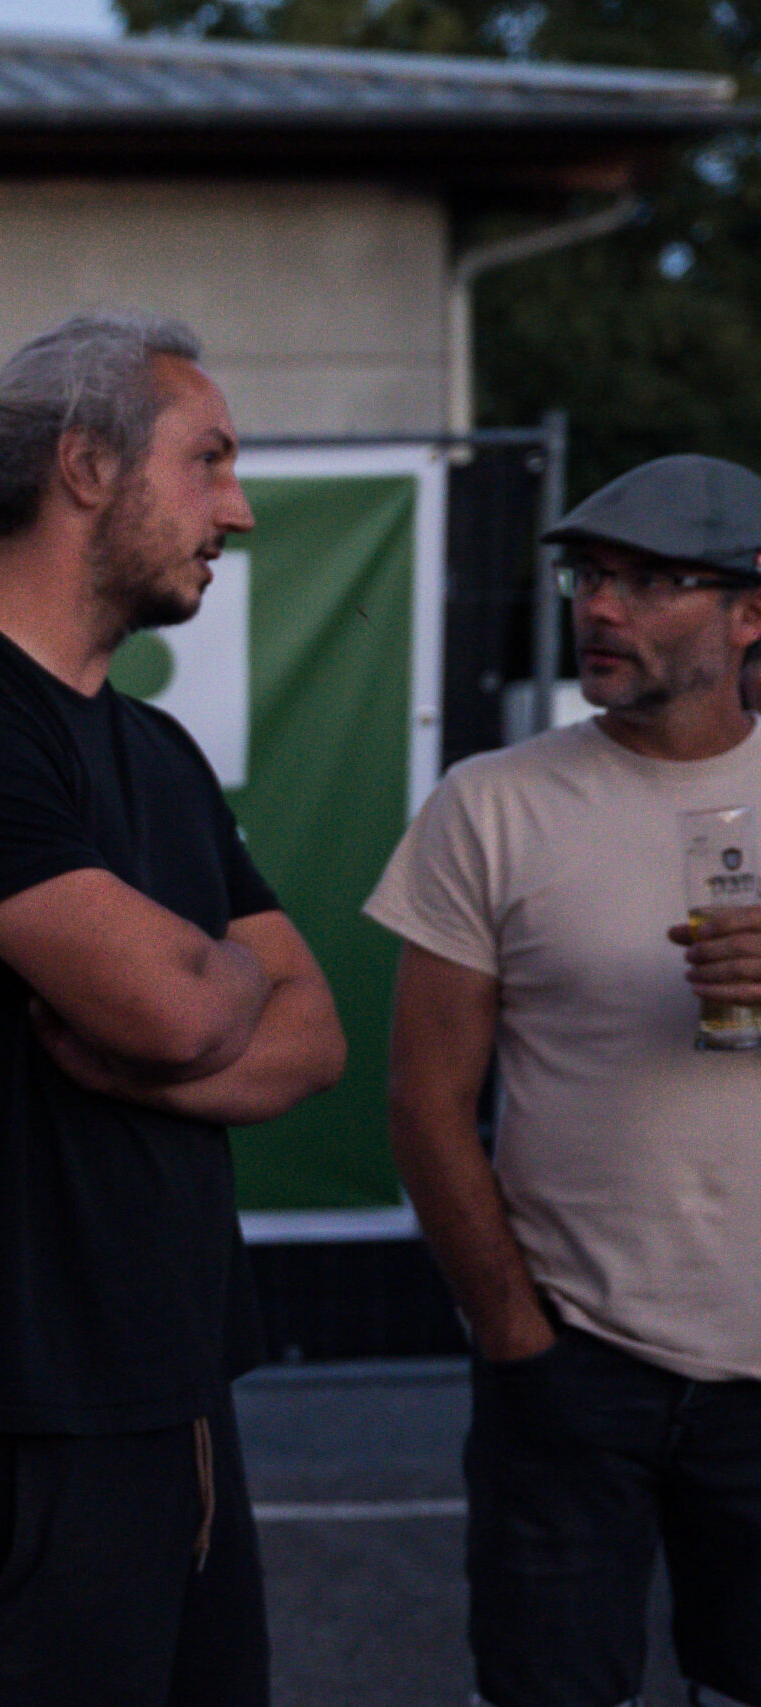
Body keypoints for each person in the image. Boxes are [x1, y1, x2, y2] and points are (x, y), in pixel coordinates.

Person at [0, 311, 348, 1706]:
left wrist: (172, 1036)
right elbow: (181, 1006)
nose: (237, 509)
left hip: (178, 1408)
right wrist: (209, 989)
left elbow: (313, 1037)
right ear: (88, 465)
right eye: (208, 459)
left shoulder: (154, 747)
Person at [367, 454, 761, 1707]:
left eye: (649, 581)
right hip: (571, 1360)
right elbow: (424, 1101)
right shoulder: (490, 805)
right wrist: (514, 1336)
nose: (600, 606)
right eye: (589, 576)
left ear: (750, 611)